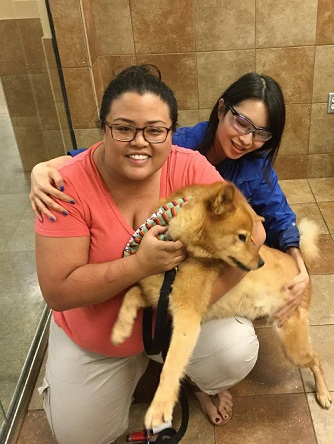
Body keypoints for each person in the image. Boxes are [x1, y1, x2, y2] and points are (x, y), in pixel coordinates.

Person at [35, 65, 266, 443]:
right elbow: (58, 291)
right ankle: (112, 372)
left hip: (171, 316)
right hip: (100, 333)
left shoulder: (189, 166)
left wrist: (193, 304)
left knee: (232, 353)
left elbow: (254, 232)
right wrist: (139, 265)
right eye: (124, 128)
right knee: (81, 436)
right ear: (104, 127)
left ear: (172, 133)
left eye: (154, 130)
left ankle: (185, 377)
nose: (139, 142)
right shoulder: (63, 187)